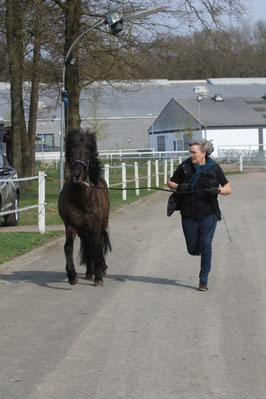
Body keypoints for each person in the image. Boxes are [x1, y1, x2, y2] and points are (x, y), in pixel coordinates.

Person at [167, 139, 232, 291]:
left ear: (203, 153)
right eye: (190, 152)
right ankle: (198, 249)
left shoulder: (214, 168)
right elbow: (170, 183)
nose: (191, 155)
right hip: (188, 213)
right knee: (193, 249)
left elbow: (228, 188)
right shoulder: (185, 166)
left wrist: (217, 191)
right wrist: (180, 187)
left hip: (208, 213)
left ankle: (203, 280)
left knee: (206, 244)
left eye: (194, 152)